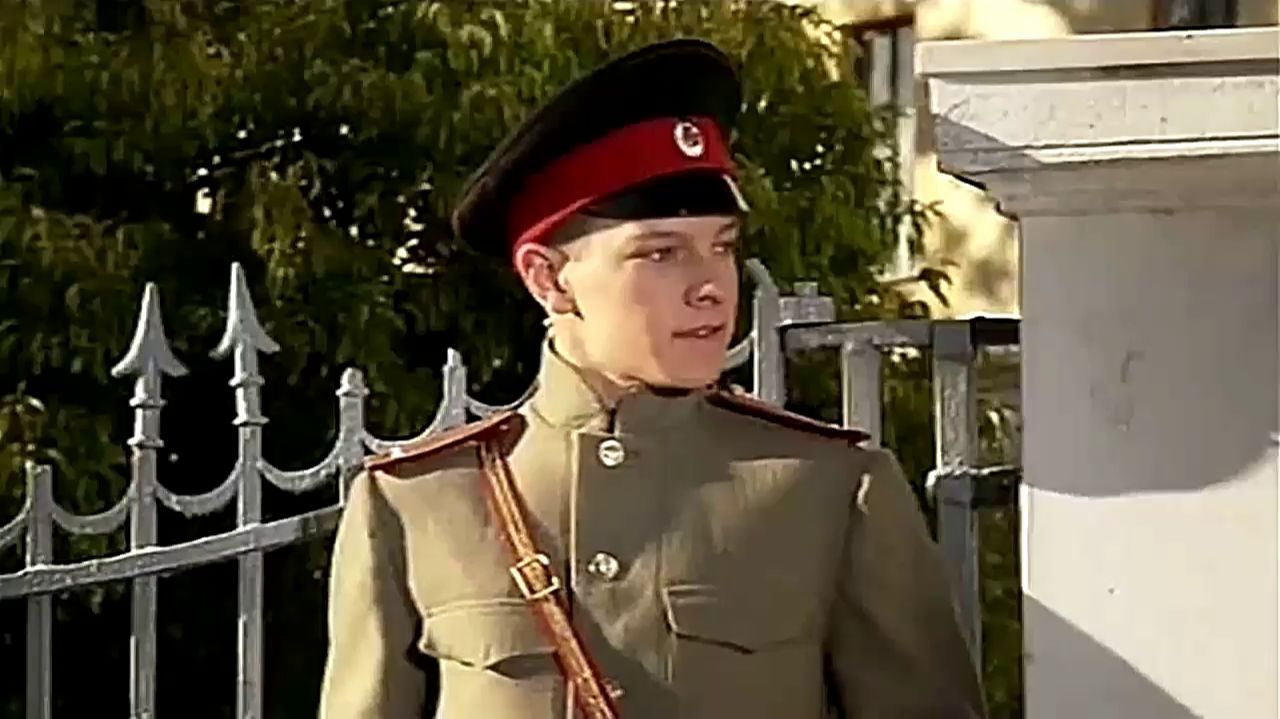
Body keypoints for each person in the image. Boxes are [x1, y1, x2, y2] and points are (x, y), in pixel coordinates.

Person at [318, 38, 986, 719]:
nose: (711, 286)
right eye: (661, 253)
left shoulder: (829, 487)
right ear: (549, 279)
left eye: (722, 247)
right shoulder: (416, 501)